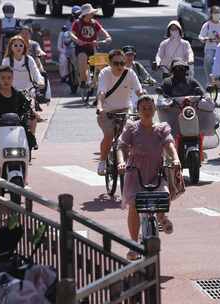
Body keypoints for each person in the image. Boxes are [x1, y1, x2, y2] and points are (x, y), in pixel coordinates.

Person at [116, 95, 181, 260]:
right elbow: (121, 147)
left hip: (155, 173)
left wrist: (175, 158)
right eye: (143, 108)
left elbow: (169, 144)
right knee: (133, 205)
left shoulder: (161, 129)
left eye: (150, 108)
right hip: (134, 173)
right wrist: (122, 162)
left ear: (155, 110)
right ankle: (133, 244)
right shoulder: (131, 128)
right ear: (138, 111)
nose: (147, 111)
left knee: (164, 194)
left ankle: (161, 217)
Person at [96, 49, 143, 176]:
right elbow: (101, 93)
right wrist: (99, 107)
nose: (120, 66)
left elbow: (139, 91)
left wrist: (145, 101)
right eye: (116, 63)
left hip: (124, 110)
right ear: (109, 63)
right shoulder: (104, 74)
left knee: (128, 135)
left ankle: (128, 161)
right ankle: (102, 161)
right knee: (109, 134)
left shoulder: (130, 73)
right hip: (106, 112)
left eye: (122, 63)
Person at [2, 35, 45, 142]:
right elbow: (1, 76)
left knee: (32, 118)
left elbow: (36, 73)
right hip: (11, 93)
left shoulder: (29, 60)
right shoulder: (7, 61)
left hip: (28, 92)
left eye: (21, 45)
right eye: (15, 45)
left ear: (24, 47)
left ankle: (31, 140)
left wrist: (40, 82)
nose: (18, 47)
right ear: (11, 47)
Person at [70, 3, 112, 88]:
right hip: (81, 48)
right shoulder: (77, 23)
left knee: (104, 62)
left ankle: (103, 82)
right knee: (83, 59)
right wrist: (78, 40)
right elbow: (71, 34)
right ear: (85, 14)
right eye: (90, 13)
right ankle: (83, 81)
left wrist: (107, 37)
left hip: (93, 47)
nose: (92, 14)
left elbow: (102, 30)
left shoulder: (94, 23)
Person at [198, 5, 220, 86]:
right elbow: (200, 36)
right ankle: (210, 81)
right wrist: (205, 39)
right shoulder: (207, 25)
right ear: (211, 14)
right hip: (210, 48)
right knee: (208, 59)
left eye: (218, 13)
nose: (217, 14)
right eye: (215, 13)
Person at [57, 6, 81, 83]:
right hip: (68, 48)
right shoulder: (66, 26)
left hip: (80, 48)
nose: (78, 16)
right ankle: (64, 76)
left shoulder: (84, 23)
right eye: (76, 14)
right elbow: (60, 45)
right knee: (63, 59)